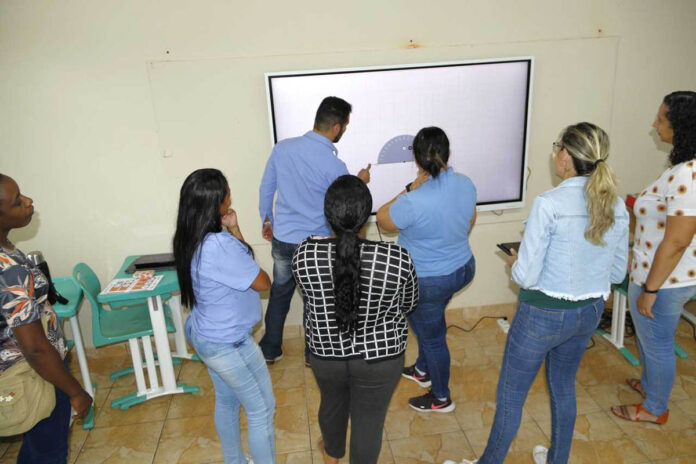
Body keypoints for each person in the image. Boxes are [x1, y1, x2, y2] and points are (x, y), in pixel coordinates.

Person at [444, 122, 629, 464]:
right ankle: (557, 459)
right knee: (562, 386)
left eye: (556, 146)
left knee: (512, 395)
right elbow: (617, 273)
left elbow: (526, 277)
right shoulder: (616, 206)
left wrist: (515, 261)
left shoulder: (549, 204)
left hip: (541, 316)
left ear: (565, 156)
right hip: (587, 314)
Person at [292, 175, 418, 464]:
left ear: (328, 215)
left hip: (325, 353)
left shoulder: (304, 254)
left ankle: (332, 453)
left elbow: (311, 298)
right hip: (381, 357)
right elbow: (409, 304)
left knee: (332, 404)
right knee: (369, 421)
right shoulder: (397, 258)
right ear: (367, 216)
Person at [258, 96, 371, 364]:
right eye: (345, 126)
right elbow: (347, 200)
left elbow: (266, 187)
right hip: (317, 244)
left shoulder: (282, 148)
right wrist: (360, 182)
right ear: (336, 127)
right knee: (317, 299)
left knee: (279, 294)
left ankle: (270, 349)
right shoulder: (334, 165)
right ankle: (313, 353)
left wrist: (267, 220)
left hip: (284, 239)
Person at [173, 169, 275, 464]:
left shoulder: (190, 236)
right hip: (227, 343)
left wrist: (234, 229)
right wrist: (234, 234)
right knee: (261, 410)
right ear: (216, 202)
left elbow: (242, 266)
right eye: (227, 192)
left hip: (205, 332)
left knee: (228, 402)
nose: (230, 196)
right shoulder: (219, 246)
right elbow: (262, 282)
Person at [376, 126, 476, 412]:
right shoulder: (466, 183)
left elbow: (383, 219)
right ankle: (422, 370)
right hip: (463, 268)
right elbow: (470, 219)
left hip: (428, 281)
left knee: (432, 337)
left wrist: (410, 187)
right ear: (447, 153)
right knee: (430, 323)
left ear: (418, 162)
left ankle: (441, 397)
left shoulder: (413, 200)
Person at [611, 91, 696, 425]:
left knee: (658, 344)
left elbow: (676, 241)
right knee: (649, 339)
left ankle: (655, 408)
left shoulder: (688, 176)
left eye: (661, 118)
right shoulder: (682, 169)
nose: (654, 123)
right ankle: (649, 386)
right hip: (656, 273)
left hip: (666, 281)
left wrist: (651, 289)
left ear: (682, 126)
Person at [0, 174, 92, 464]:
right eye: (17, 202)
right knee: (48, 454)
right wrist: (76, 392)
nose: (28, 202)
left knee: (37, 450)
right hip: (34, 374)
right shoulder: (8, 270)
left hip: (21, 371)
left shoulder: (8, 252)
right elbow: (36, 349)